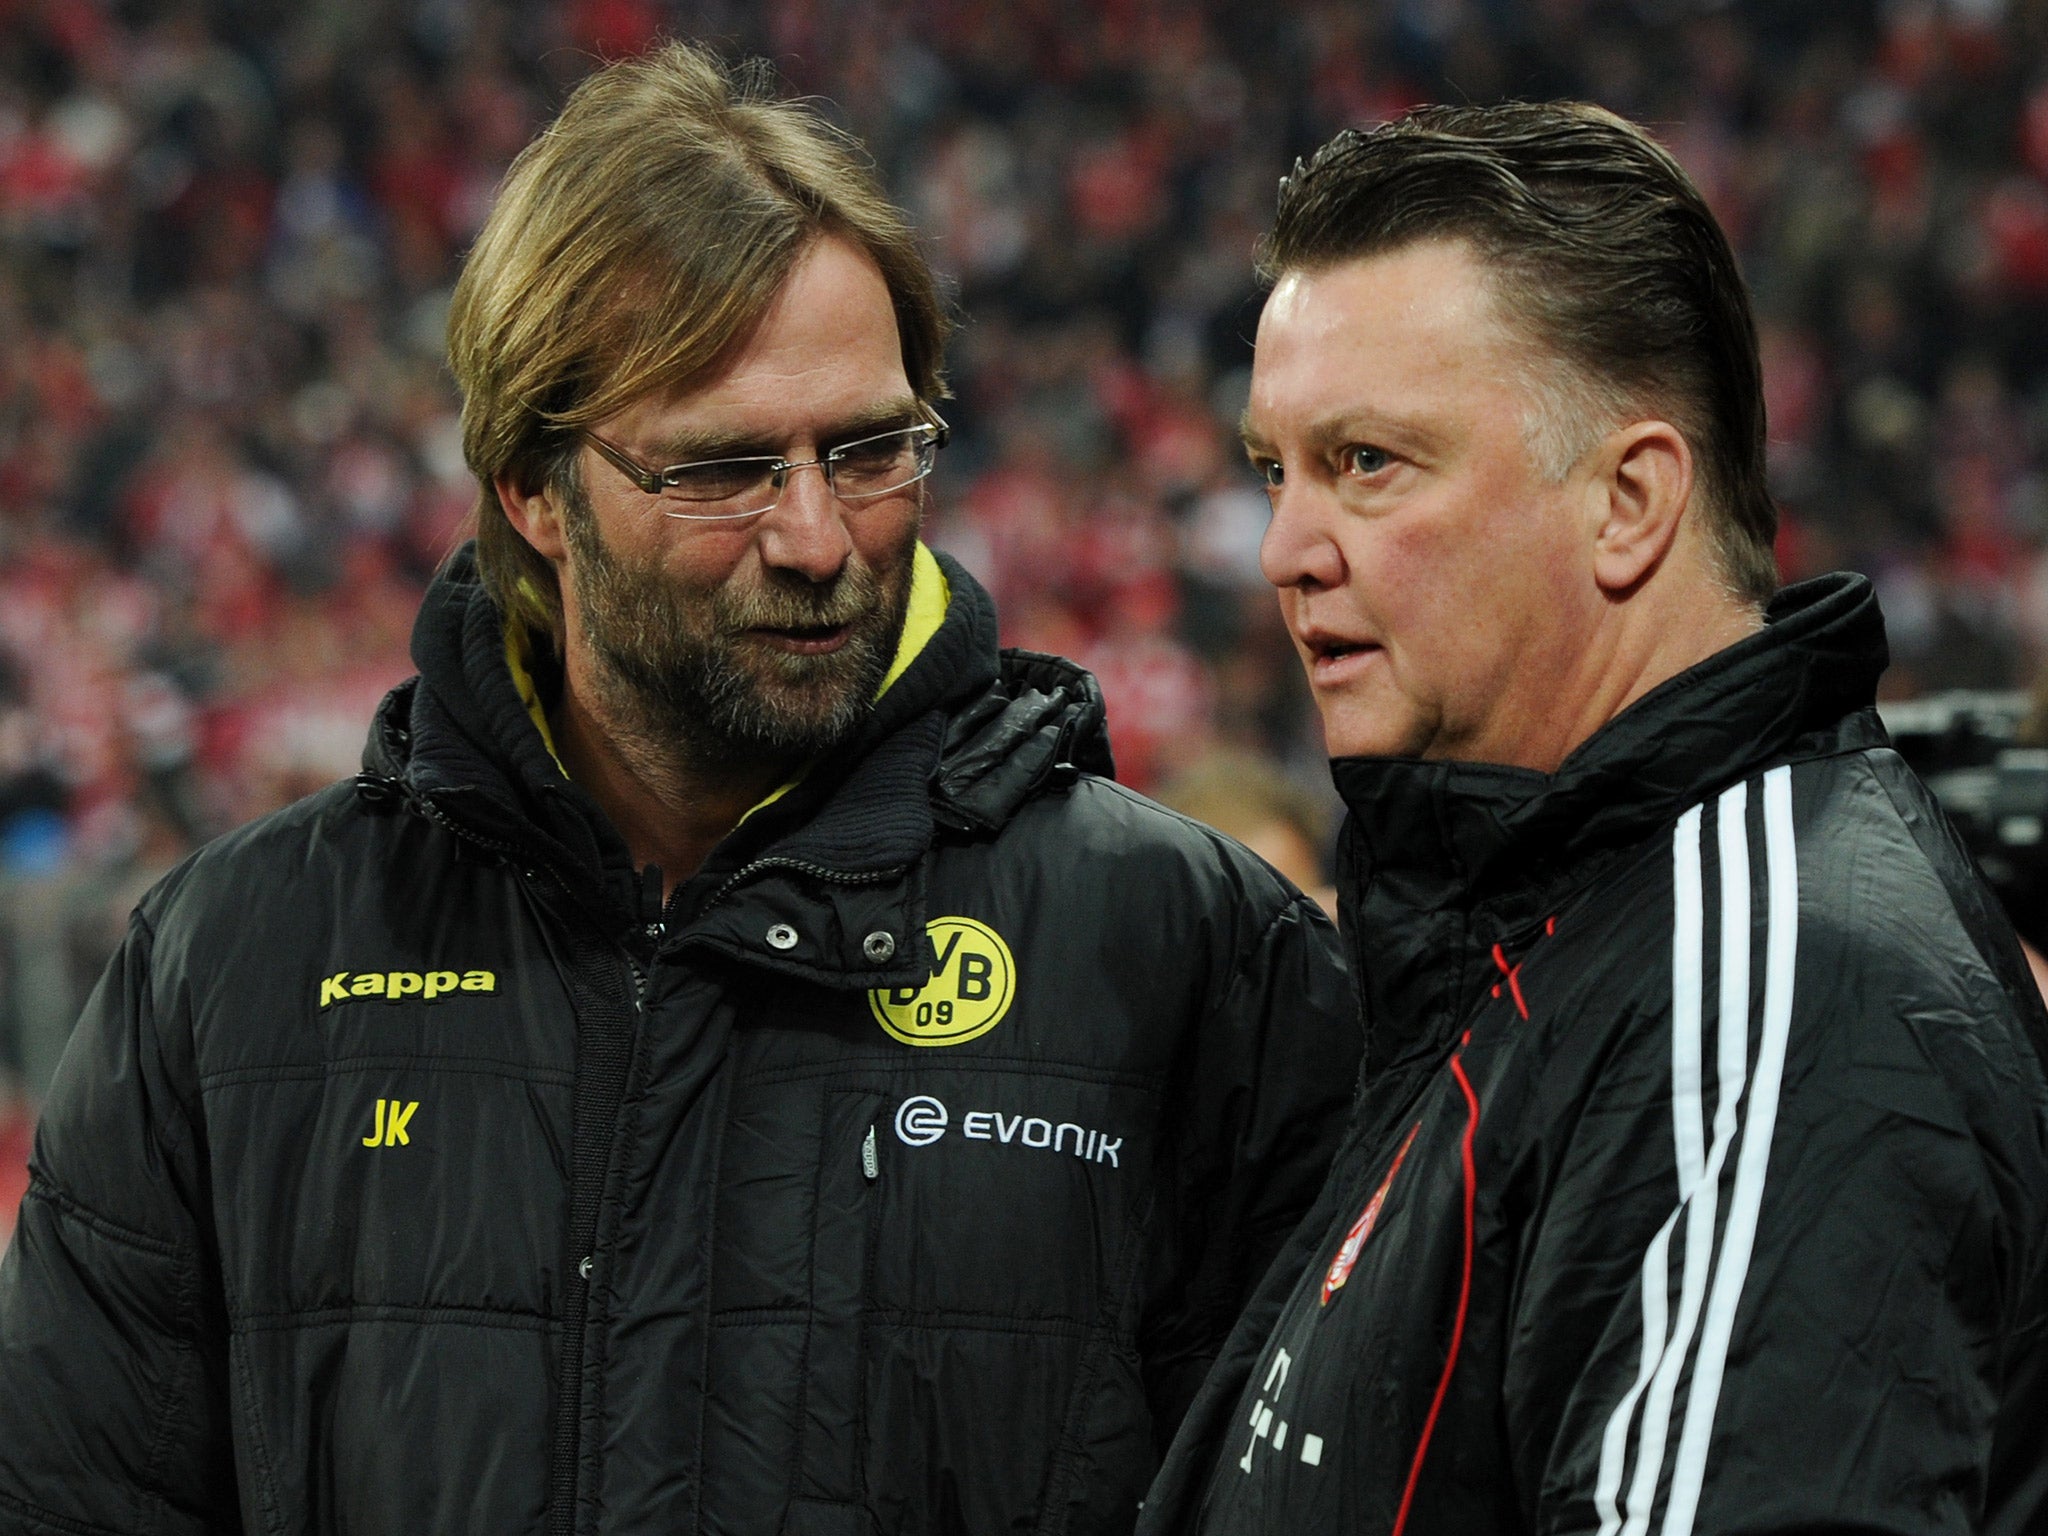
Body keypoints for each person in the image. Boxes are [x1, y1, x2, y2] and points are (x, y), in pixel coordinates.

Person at [0, 44, 1359, 1534]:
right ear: (534, 491)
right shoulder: (228, 970)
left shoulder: (1192, 951)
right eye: (722, 470)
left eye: (869, 449)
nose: (819, 536)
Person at [1140, 102, 2048, 1535]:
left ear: (1630, 501)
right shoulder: (1544, 930)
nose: (1284, 553)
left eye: (1368, 463)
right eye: (1276, 469)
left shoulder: (1776, 986)